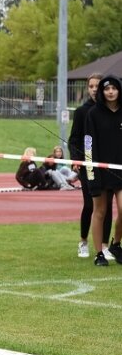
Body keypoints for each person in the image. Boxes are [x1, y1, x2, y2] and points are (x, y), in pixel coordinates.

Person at [67, 73, 114, 259]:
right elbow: (75, 139)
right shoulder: (82, 112)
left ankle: (104, 245)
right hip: (88, 166)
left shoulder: (111, 110)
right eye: (91, 86)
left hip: (109, 166)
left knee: (107, 206)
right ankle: (83, 241)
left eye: (97, 86)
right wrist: (76, 159)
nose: (94, 89)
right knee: (90, 205)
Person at [84, 75, 122, 266]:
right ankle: (99, 253)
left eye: (114, 88)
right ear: (102, 91)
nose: (110, 92)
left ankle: (115, 244)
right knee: (100, 211)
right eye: (107, 89)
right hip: (99, 171)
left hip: (120, 172)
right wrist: (92, 173)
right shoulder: (93, 113)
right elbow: (88, 145)